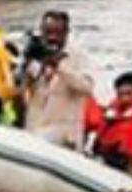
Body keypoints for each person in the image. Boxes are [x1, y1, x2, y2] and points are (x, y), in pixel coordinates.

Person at [22, 10, 94, 150]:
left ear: (66, 32)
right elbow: (18, 87)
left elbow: (87, 87)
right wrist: (26, 63)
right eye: (47, 32)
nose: (52, 37)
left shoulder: (78, 56)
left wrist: (59, 67)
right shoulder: (35, 55)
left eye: (57, 32)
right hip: (34, 129)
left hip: (64, 135)